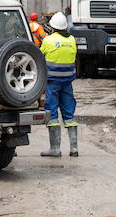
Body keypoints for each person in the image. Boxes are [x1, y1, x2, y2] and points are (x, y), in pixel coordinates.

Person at [39, 12, 79, 158]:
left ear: (52, 27)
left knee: (52, 114)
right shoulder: (72, 40)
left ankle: (55, 149)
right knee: (69, 114)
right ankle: (74, 149)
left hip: (52, 83)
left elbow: (39, 56)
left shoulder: (48, 40)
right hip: (67, 83)